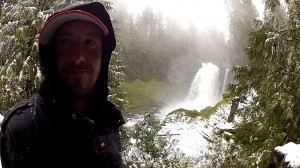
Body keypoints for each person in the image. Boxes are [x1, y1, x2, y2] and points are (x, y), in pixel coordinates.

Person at [0, 2, 127, 168]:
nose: (79, 57)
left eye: (90, 42)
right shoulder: (20, 130)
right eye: (65, 42)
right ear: (52, 55)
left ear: (103, 56)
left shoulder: (106, 122)